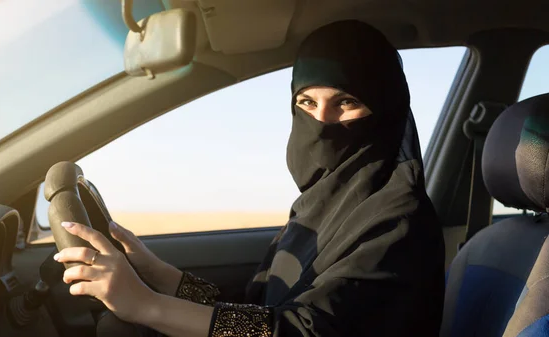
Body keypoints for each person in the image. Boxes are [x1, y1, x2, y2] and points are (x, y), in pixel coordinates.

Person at [53, 20, 446, 337]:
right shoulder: (319, 204)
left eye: (346, 102)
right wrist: (161, 276)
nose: (322, 122)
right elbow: (259, 314)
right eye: (307, 102)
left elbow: (302, 331)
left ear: (387, 110)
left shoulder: (398, 223)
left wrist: (147, 305)